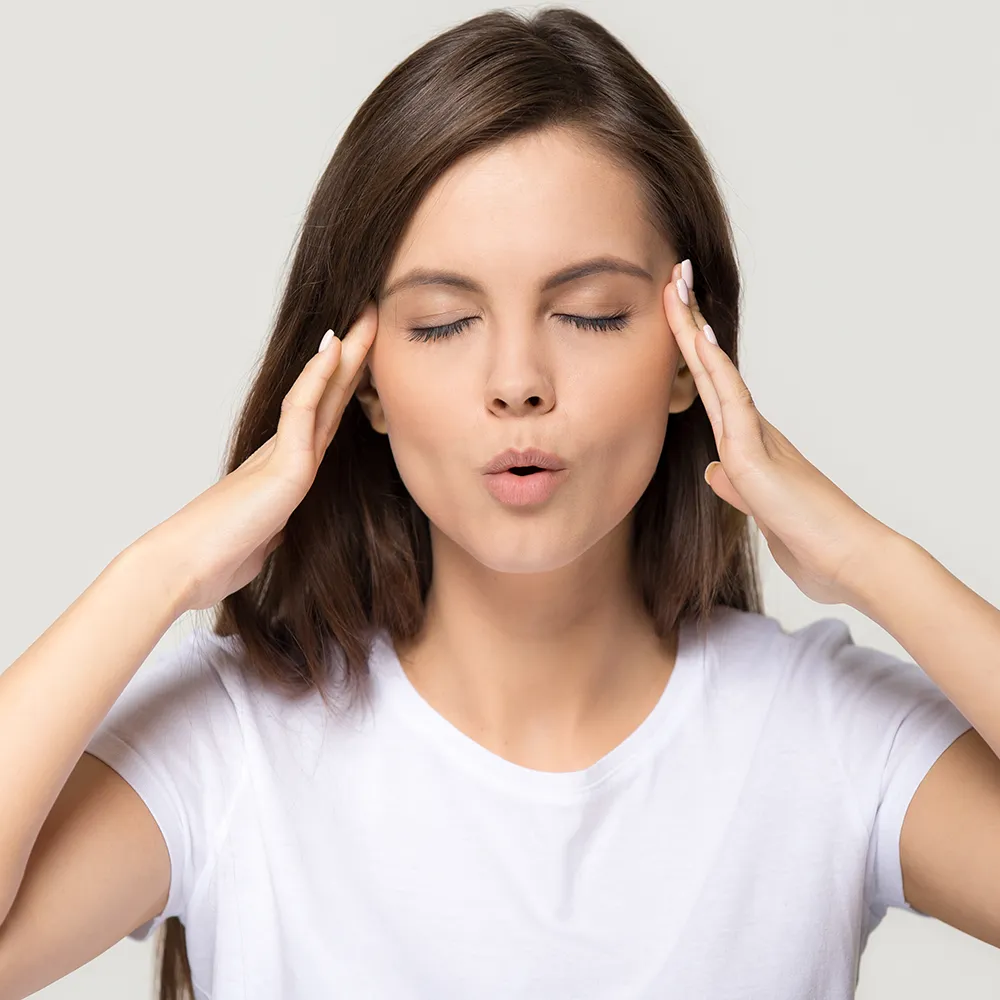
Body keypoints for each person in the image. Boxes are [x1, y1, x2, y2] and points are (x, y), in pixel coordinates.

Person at [1, 6, 998, 1000]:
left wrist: (874, 562)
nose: (517, 380)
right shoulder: (231, 743)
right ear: (365, 381)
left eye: (589, 313)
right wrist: (158, 572)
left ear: (692, 358)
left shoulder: (820, 733)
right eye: (442, 324)